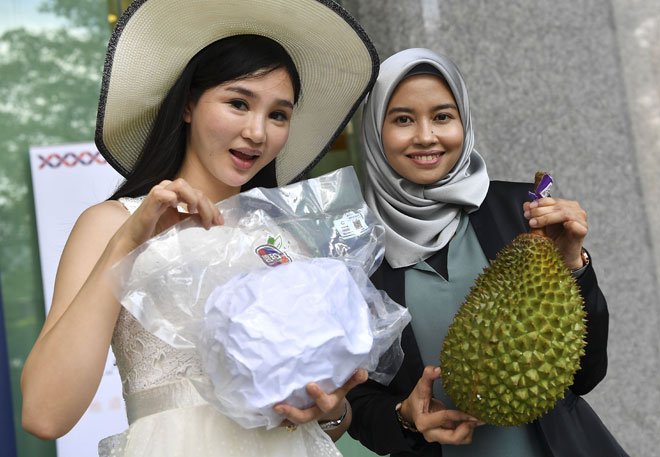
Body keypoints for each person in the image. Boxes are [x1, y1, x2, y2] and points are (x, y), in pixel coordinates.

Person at [20, 1, 379, 456]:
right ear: (188, 104)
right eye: (238, 103)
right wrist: (129, 243)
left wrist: (330, 409)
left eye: (278, 114)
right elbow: (45, 414)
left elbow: (316, 424)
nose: (257, 131)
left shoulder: (287, 241)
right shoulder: (113, 224)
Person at [347, 48, 628, 456]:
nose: (426, 136)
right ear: (374, 130)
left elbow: (585, 374)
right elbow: (358, 400)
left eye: (442, 116)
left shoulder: (522, 212)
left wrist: (573, 264)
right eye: (403, 119)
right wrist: (405, 416)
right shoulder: (355, 252)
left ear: (463, 121)